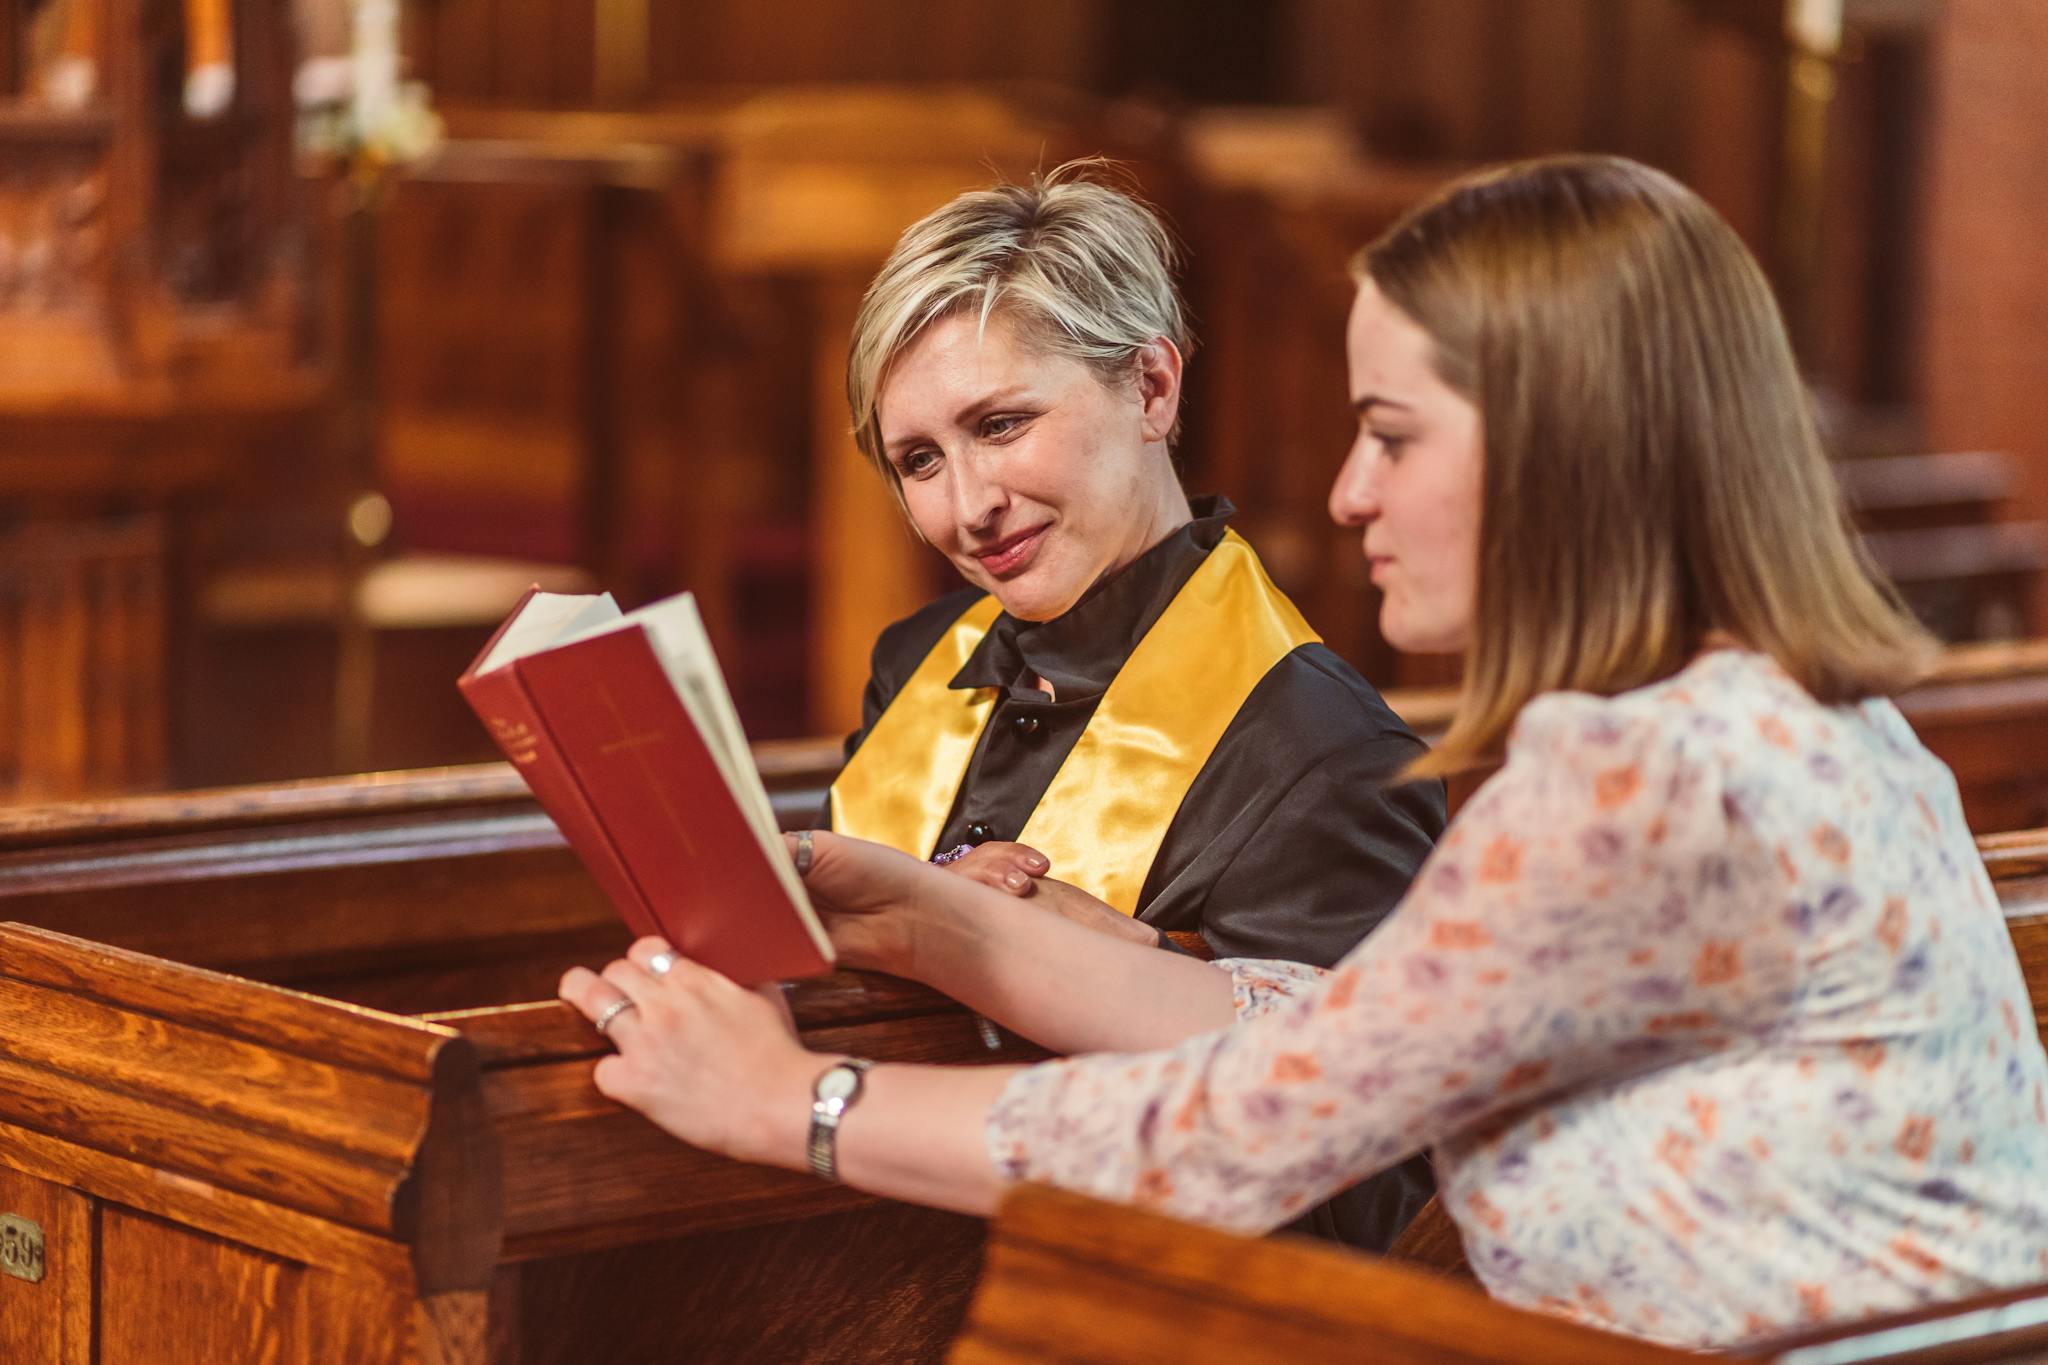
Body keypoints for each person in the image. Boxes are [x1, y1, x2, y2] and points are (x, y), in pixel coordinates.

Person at [562, 155, 2048, 1350]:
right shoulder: (1813, 723)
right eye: (917, 459)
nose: (1345, 495)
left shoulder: (1635, 782)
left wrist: (788, 1104)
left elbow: (1235, 1136)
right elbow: (1337, 1033)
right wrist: (950, 924)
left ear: (1569, 437)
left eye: (1392, 436)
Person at [816, 164, 1446, 1249]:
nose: (968, 509)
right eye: (920, 459)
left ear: (1151, 388)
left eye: (1003, 424)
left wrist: (1149, 975)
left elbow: (1375, 1199)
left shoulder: (1318, 751)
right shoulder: (915, 659)